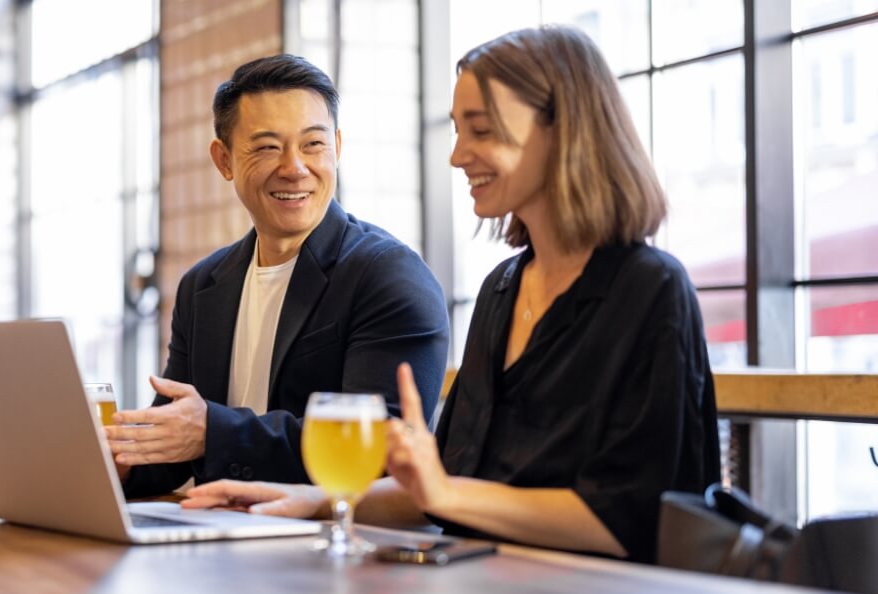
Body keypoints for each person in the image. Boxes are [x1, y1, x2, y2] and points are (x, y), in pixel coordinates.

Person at [181, 26, 721, 564]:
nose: (458, 156)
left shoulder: (650, 289)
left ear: (564, 133)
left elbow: (635, 516)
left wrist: (439, 493)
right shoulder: (503, 290)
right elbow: (450, 487)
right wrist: (308, 501)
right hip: (483, 574)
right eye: (458, 131)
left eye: (481, 131)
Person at [105, 55, 450, 498]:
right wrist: (120, 458)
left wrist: (215, 432)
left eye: (313, 145)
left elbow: (379, 445)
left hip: (335, 545)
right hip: (219, 538)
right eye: (267, 146)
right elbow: (174, 446)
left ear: (337, 149)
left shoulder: (388, 276)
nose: (294, 167)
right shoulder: (202, 287)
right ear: (223, 159)